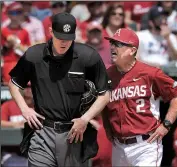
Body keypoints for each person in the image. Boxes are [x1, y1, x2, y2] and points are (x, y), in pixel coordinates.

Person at [8, 12, 110, 167]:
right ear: (50, 32)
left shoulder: (88, 56)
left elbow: (105, 94)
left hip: (74, 133)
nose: (64, 42)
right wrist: (25, 109)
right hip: (42, 131)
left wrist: (85, 119)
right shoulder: (34, 55)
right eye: (60, 38)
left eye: (69, 39)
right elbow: (14, 83)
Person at [102, 28, 177, 166]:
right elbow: (103, 103)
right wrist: (106, 126)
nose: (112, 47)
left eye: (118, 44)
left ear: (132, 50)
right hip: (119, 146)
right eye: (112, 43)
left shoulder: (150, 73)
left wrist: (166, 124)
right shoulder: (107, 75)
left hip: (146, 145)